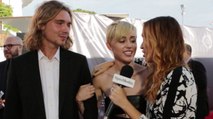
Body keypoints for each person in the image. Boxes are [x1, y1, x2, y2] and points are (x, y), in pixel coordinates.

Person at [4, 1, 98, 119]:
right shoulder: (19, 65)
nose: (66, 30)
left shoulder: (78, 63)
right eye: (59, 23)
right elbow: (11, 112)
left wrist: (78, 101)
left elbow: (91, 113)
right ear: (41, 24)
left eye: (68, 25)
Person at [109, 16, 197, 119]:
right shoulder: (160, 69)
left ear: (159, 42)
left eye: (145, 39)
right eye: (122, 41)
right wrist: (108, 64)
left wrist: (124, 103)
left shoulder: (179, 77)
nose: (141, 46)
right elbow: (131, 62)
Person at [77, 21, 148, 119]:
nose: (129, 45)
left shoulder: (147, 74)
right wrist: (79, 101)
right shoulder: (100, 77)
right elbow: (90, 115)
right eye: (122, 41)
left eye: (133, 40)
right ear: (109, 46)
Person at [0, 36, 23, 119]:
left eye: (10, 46)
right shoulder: (0, 67)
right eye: (4, 46)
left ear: (20, 47)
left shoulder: (30, 67)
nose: (6, 49)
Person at [184, 43, 209, 119]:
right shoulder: (181, 67)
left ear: (188, 53)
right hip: (188, 109)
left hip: (198, 108)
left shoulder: (197, 65)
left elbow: (202, 83)